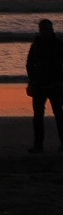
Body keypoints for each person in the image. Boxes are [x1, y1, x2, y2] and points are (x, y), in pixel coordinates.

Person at [28, 19, 62, 154]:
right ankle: (38, 145)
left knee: (59, 114)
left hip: (55, 84)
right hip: (40, 84)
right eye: (43, 29)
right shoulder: (36, 45)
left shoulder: (58, 45)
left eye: (46, 29)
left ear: (51, 29)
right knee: (38, 116)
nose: (45, 32)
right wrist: (32, 80)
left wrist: (61, 80)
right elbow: (29, 64)